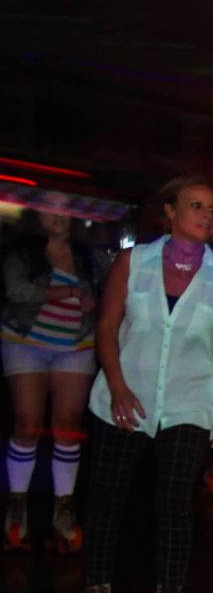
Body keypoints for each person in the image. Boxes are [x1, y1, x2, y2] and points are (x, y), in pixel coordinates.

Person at [64, 176, 213, 593]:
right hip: (127, 397)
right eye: (196, 206)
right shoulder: (133, 262)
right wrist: (117, 384)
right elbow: (106, 325)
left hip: (190, 400)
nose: (207, 216)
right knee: (107, 498)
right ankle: (98, 592)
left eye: (212, 209)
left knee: (173, 501)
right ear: (170, 211)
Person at [3, 208, 102, 551]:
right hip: (25, 342)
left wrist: (93, 301)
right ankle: (17, 509)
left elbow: (111, 291)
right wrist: (69, 294)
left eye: (65, 207)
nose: (58, 214)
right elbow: (17, 291)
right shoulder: (22, 252)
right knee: (28, 424)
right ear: (37, 213)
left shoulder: (89, 256)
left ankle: (64, 511)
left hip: (75, 345)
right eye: (50, 207)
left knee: (67, 425)